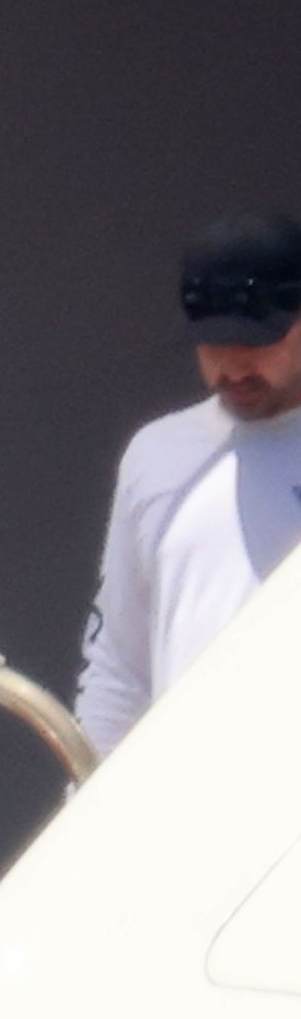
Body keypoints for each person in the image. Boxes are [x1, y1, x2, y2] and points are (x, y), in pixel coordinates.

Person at [78, 211, 301, 756]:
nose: (234, 367)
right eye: (214, 343)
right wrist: (89, 794)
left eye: (257, 340)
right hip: (185, 795)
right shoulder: (157, 456)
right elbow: (118, 667)